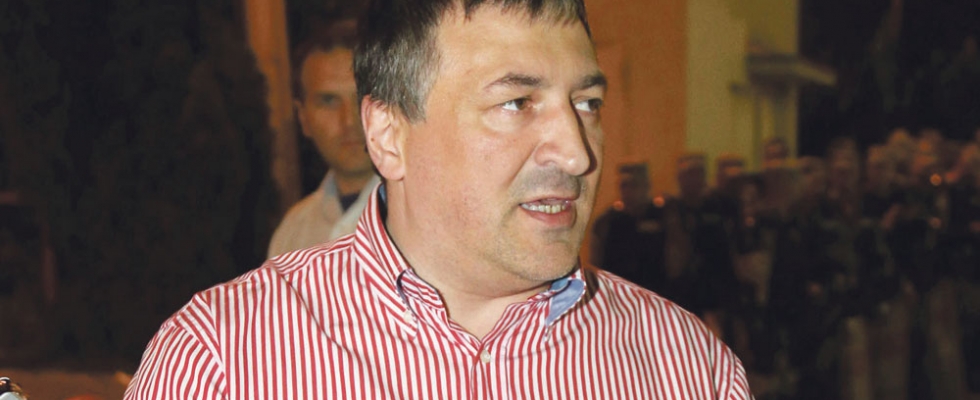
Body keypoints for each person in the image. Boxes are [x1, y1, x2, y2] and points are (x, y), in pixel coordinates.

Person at [124, 0, 751, 398]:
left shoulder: (687, 365)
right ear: (388, 135)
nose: (577, 153)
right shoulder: (224, 361)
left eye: (587, 103)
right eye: (516, 103)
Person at [266, 20, 380, 257]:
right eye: (328, 101)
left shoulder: (428, 214)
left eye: (361, 98)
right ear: (303, 118)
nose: (349, 121)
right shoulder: (292, 233)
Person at [589, 161, 668, 294]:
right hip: (619, 295)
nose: (628, 191)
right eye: (624, 185)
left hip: (656, 292)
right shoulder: (607, 221)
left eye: (634, 185)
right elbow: (596, 264)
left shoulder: (662, 216)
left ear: (646, 186)